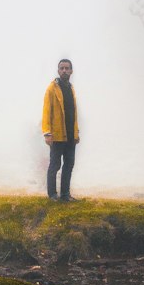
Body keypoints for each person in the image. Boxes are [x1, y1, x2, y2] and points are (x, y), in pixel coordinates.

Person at [42, 57, 79, 200]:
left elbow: (73, 113)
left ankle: (65, 195)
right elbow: (46, 112)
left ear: (71, 71)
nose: (64, 70)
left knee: (69, 165)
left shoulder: (71, 88)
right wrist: (47, 133)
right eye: (62, 68)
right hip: (57, 135)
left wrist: (76, 132)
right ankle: (52, 195)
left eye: (67, 68)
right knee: (55, 165)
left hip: (70, 135)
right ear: (58, 70)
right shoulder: (52, 88)